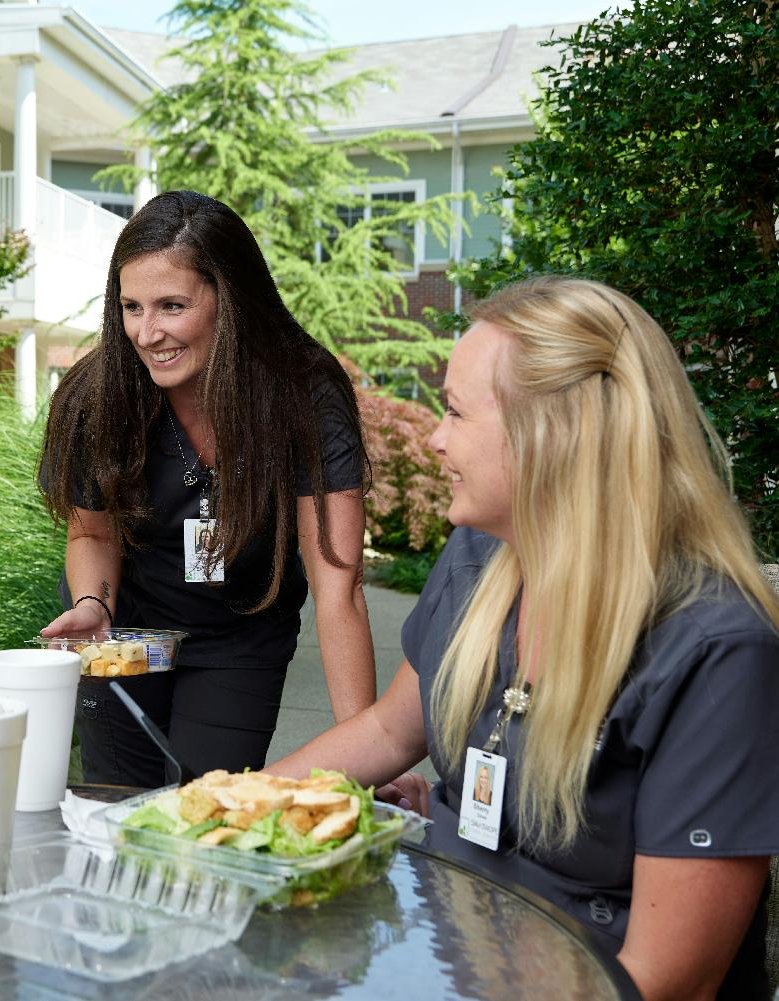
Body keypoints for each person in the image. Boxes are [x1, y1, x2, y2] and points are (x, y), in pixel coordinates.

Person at [263, 276, 779, 1000]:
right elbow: (385, 730)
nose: (434, 439)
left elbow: (669, 981)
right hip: (445, 953)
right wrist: (210, 815)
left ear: (553, 436)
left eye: (455, 412)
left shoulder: (712, 649)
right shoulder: (478, 557)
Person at [38, 190, 377, 785]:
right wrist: (93, 605)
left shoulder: (304, 396)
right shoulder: (98, 395)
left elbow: (338, 585)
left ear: (231, 300)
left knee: (206, 809)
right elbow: (91, 531)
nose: (146, 333)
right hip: (124, 632)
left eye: (171, 306)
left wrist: (372, 753)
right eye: (131, 307)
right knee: (116, 812)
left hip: (239, 638)